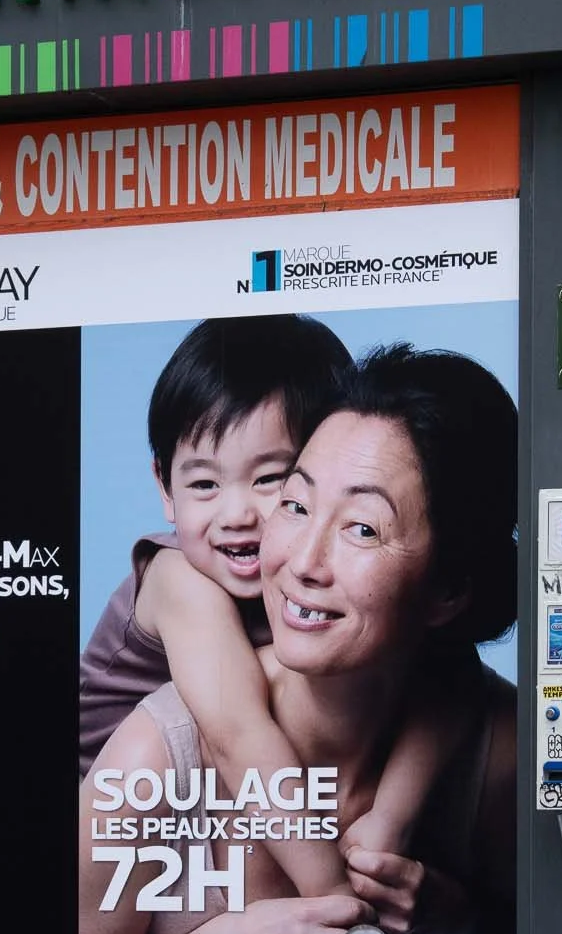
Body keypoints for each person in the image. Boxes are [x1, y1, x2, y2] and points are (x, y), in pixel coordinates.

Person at [77, 344, 518, 934]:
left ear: (450, 588)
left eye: (362, 527)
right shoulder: (161, 740)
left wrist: (442, 911)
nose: (300, 562)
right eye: (298, 503)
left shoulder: (483, 736)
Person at [76, 315, 454, 899]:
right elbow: (237, 734)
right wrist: (336, 900)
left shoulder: (321, 583)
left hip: (215, 829)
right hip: (108, 832)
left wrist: (389, 823)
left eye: (271, 480)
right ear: (163, 487)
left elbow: (449, 677)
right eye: (204, 485)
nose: (236, 514)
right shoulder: (180, 578)